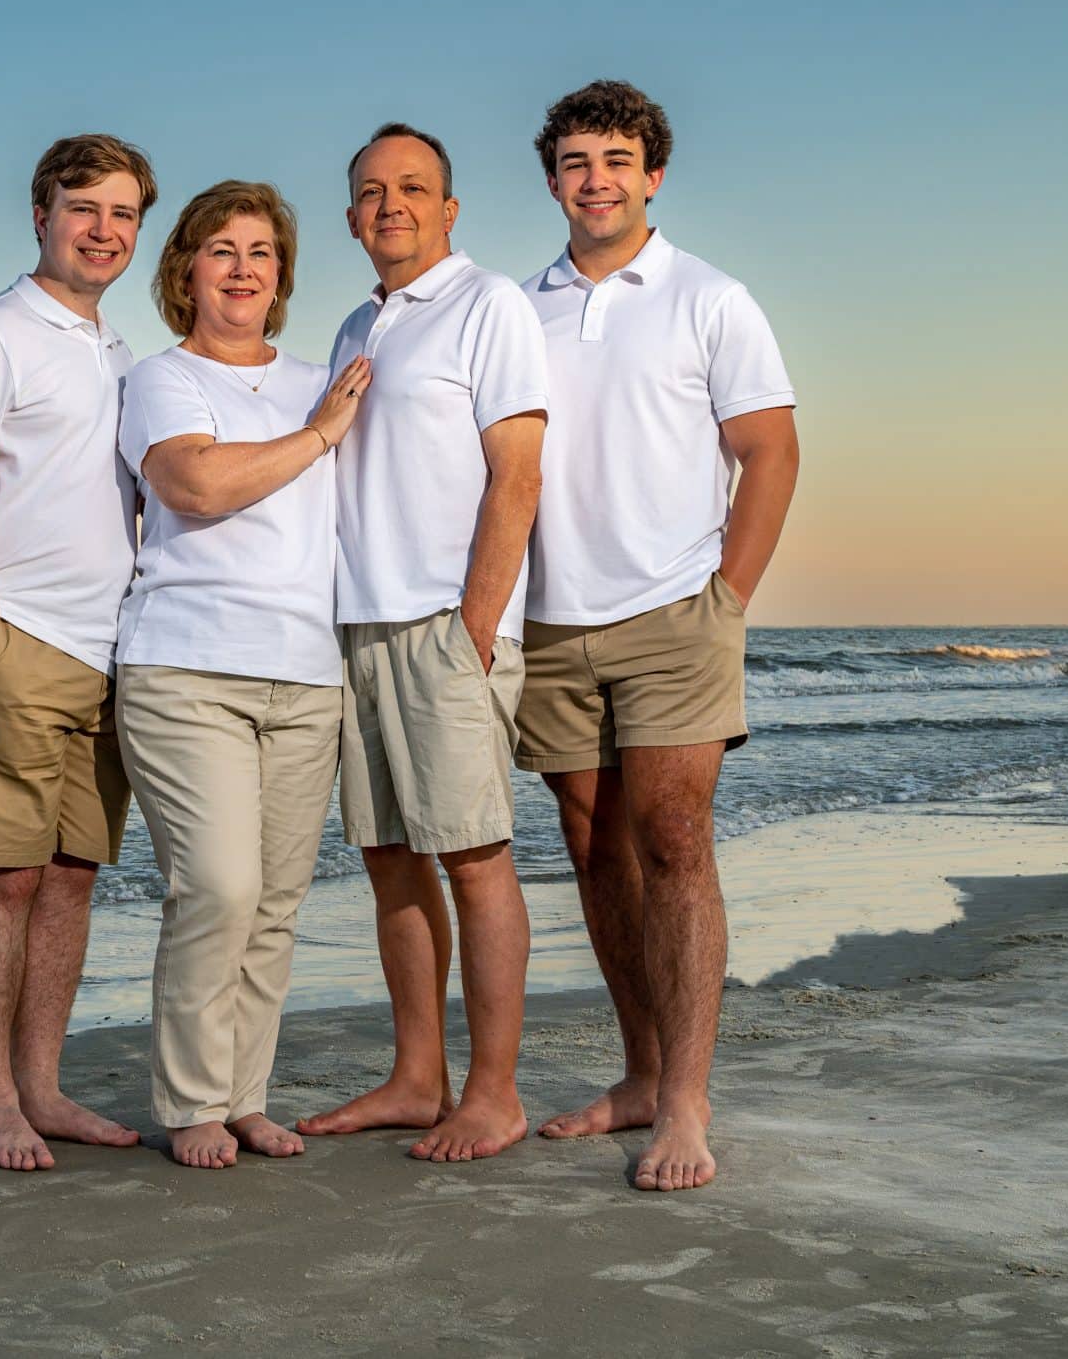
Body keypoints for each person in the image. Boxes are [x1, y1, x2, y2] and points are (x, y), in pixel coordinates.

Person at [517, 79, 801, 1192]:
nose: (597, 179)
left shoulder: (709, 297)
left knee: (674, 841)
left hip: (675, 611)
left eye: (617, 160)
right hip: (547, 619)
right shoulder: (514, 305)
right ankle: (636, 1072)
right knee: (592, 846)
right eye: (577, 161)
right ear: (552, 180)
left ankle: (684, 1099)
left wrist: (726, 596)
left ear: (654, 175)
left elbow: (769, 453)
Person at [299, 123, 549, 1163]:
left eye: (411, 187)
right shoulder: (356, 324)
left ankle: (493, 1090)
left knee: (474, 856)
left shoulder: (489, 303)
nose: (388, 203)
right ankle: (417, 1075)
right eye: (368, 189)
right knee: (389, 857)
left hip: (445, 627)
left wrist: (475, 627)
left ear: (449, 209)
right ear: (351, 215)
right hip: (355, 626)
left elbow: (516, 473)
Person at [112, 180, 373, 1169]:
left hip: (306, 674)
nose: (241, 267)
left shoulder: (321, 375)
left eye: (260, 251)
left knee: (274, 899)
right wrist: (317, 437)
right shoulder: (161, 377)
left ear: (282, 274)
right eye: (220, 248)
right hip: (186, 666)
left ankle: (243, 1092)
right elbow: (196, 482)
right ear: (185, 269)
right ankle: (189, 1100)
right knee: (216, 885)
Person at [0, 133, 154, 1172]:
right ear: (40, 214)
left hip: (110, 650)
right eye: (83, 208)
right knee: (5, 877)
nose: (103, 231)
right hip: (17, 642)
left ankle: (44, 1085)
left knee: (72, 875)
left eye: (122, 214)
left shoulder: (115, 349)